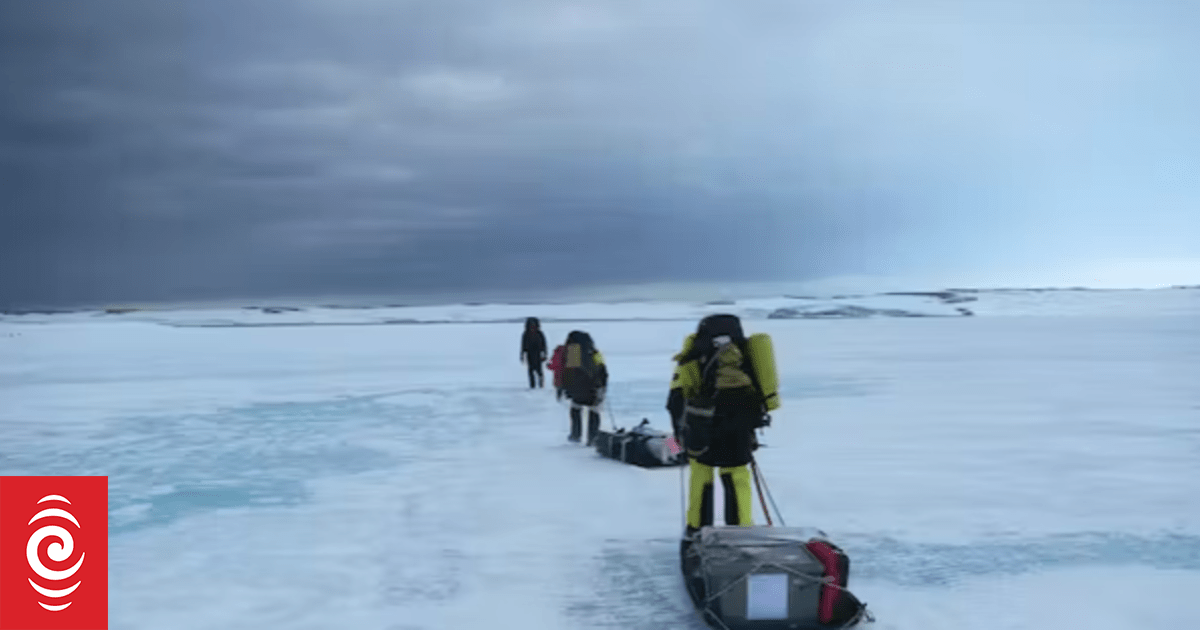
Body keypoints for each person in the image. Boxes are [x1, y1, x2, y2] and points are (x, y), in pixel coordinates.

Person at [668, 314, 770, 541]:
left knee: (701, 475)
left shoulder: (693, 355)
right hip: (739, 427)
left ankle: (697, 529)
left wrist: (677, 442)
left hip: (701, 427)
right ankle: (741, 531)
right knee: (736, 475)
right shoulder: (745, 355)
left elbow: (675, 402)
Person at [562, 330, 608, 444]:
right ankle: (592, 438)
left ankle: (575, 435)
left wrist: (566, 388)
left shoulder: (573, 352)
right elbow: (603, 370)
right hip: (594, 389)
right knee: (594, 412)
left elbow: (569, 373)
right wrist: (602, 386)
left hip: (578, 390)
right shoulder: (594, 352)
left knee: (576, 410)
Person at [520, 317, 548, 389]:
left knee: (539, 371)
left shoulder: (539, 333)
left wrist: (545, 354)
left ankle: (541, 385)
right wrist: (522, 354)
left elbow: (544, 344)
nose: (532, 327)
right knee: (531, 370)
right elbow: (523, 345)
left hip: (538, 353)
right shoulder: (526, 334)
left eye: (534, 325)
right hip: (530, 354)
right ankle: (532, 385)